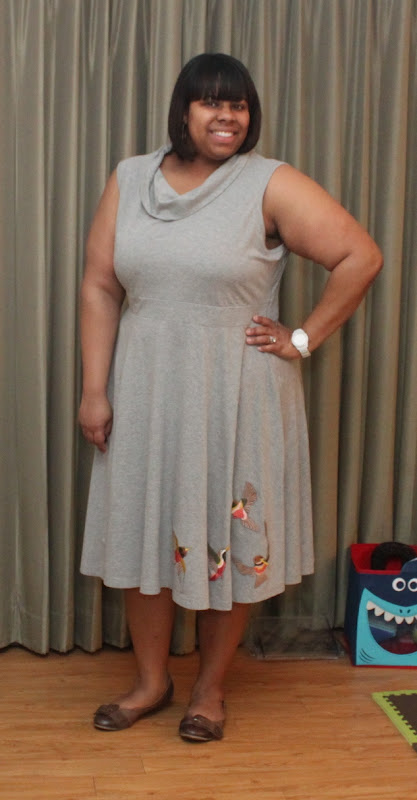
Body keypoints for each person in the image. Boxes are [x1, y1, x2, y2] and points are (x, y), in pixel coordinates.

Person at [79, 53, 382, 742]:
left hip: (237, 398)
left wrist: (301, 337)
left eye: (238, 105)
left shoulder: (268, 183)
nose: (227, 116)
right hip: (146, 390)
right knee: (147, 534)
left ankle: (209, 691)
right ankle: (151, 683)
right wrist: (95, 389)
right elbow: (100, 284)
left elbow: (360, 256)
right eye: (211, 103)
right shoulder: (130, 178)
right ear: (183, 111)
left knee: (226, 537)